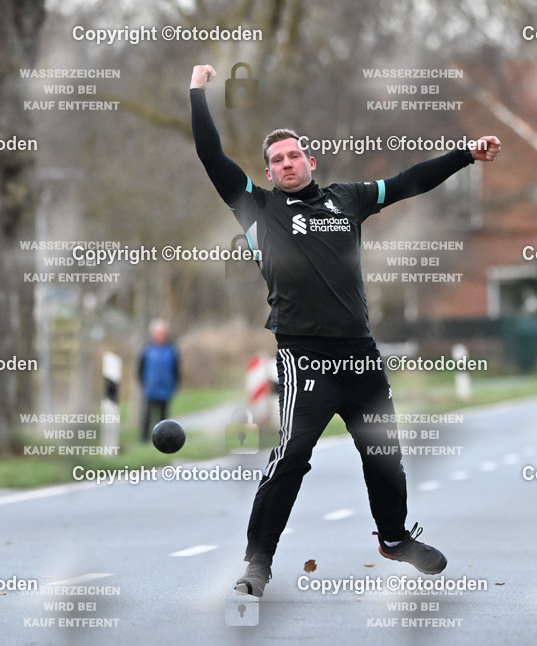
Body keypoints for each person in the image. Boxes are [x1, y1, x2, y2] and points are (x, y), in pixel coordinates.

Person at [189, 64, 500, 597]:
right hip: (304, 355)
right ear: (268, 173)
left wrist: (465, 154)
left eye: (293, 155)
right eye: (276, 160)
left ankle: (396, 539)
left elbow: (407, 183)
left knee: (385, 454)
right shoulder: (257, 208)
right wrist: (198, 93)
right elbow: (211, 155)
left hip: (359, 355)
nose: (286, 164)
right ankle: (257, 563)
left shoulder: (347, 199)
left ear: (311, 161)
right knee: (291, 456)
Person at [138, 319, 180, 442]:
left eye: (163, 333)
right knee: (148, 415)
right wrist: (144, 384)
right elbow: (140, 369)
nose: (161, 336)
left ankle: (164, 440)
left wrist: (175, 384)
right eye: (158, 333)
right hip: (151, 388)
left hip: (166, 388)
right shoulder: (147, 350)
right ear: (154, 334)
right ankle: (144, 440)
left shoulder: (171, 350)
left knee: (164, 417)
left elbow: (176, 370)